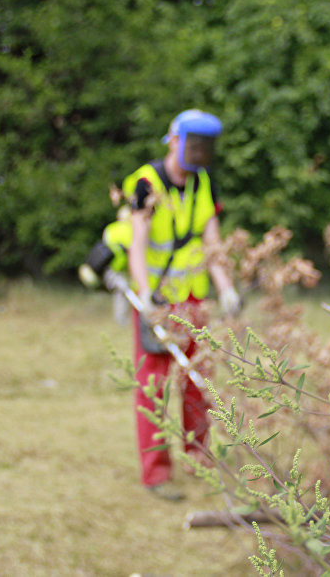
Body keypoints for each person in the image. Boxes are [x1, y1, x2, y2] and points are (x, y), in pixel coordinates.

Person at [123, 109, 241, 499]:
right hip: (157, 302)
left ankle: (200, 457)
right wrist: (144, 295)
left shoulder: (204, 183)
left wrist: (226, 288)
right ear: (173, 140)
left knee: (197, 382)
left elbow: (212, 243)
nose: (200, 152)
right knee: (153, 386)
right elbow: (137, 244)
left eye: (207, 146)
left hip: (194, 302)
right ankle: (156, 473)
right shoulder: (146, 182)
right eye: (194, 143)